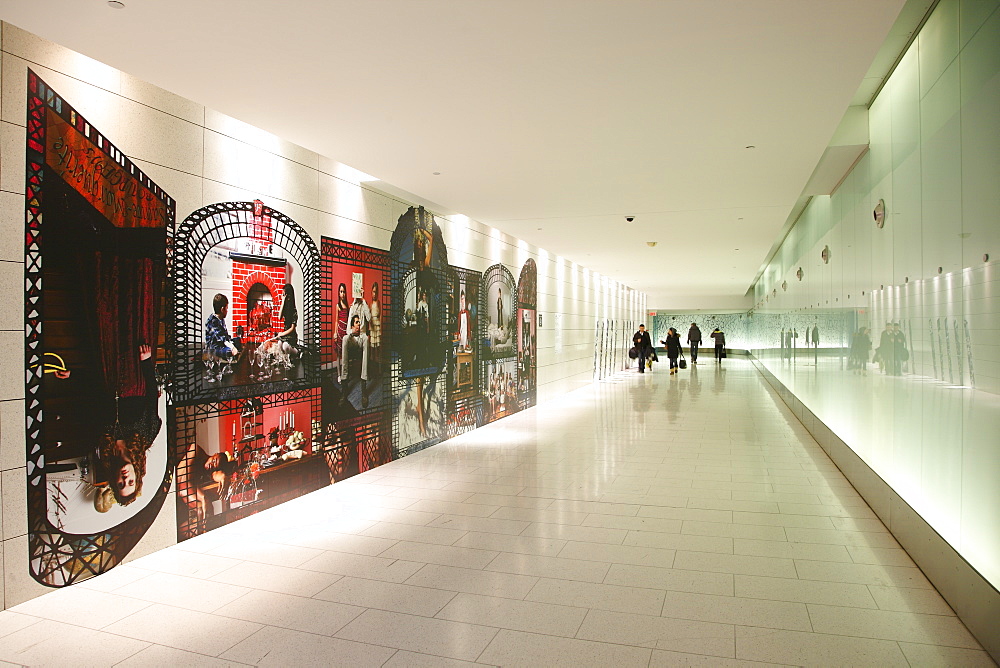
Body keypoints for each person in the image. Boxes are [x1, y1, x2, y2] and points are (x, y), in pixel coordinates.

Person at [340, 314, 370, 408]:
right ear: (352, 325)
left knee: (366, 338)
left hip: (360, 341)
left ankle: (364, 389)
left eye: (359, 322)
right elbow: (347, 333)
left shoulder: (362, 331)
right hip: (352, 341)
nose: (359, 324)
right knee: (345, 338)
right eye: (357, 322)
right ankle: (344, 387)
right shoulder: (350, 326)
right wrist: (351, 332)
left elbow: (367, 318)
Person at [205, 293, 240, 361]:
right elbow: (222, 338)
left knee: (237, 340)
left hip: (222, 343)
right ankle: (231, 354)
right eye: (226, 308)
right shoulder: (213, 321)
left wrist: (232, 342)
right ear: (222, 309)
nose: (227, 311)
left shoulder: (221, 319)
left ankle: (234, 352)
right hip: (215, 347)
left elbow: (225, 335)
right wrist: (232, 347)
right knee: (228, 351)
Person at [274, 283, 298, 356]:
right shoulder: (285, 308)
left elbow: (292, 328)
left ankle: (297, 352)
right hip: (285, 335)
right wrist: (283, 301)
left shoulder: (293, 310)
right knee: (279, 344)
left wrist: (281, 334)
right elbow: (279, 317)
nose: (282, 296)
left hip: (291, 335)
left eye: (284, 295)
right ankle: (285, 359)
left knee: (285, 346)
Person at [335, 282, 349, 367]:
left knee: (345, 353)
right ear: (338, 293)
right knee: (338, 354)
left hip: (346, 331)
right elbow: (336, 320)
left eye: (344, 292)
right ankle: (339, 374)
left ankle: (344, 372)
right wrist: (335, 333)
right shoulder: (338, 306)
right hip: (340, 330)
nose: (342, 294)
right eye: (341, 292)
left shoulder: (347, 306)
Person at [370, 281, 382, 360]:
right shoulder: (370, 304)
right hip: (372, 324)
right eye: (373, 292)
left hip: (377, 324)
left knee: (378, 343)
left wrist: (380, 325)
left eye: (376, 292)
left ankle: (378, 357)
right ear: (371, 292)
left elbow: (380, 314)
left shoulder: (378, 302)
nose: (374, 294)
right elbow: (369, 315)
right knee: (372, 342)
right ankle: (372, 357)